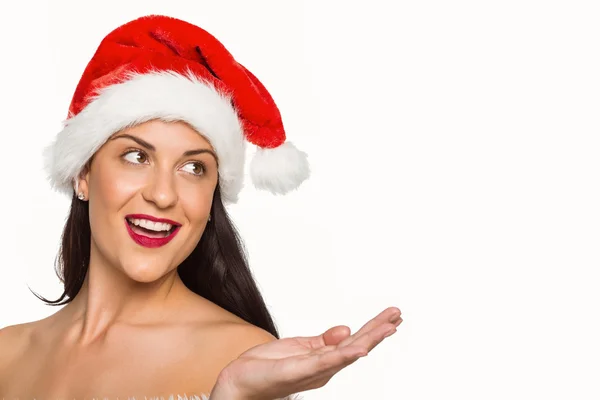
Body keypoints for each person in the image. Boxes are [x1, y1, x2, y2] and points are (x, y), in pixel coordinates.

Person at [0, 15, 403, 399]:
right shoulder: (7, 354)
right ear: (82, 175)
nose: (163, 195)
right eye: (136, 157)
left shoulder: (240, 356)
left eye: (193, 167)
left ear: (212, 198)